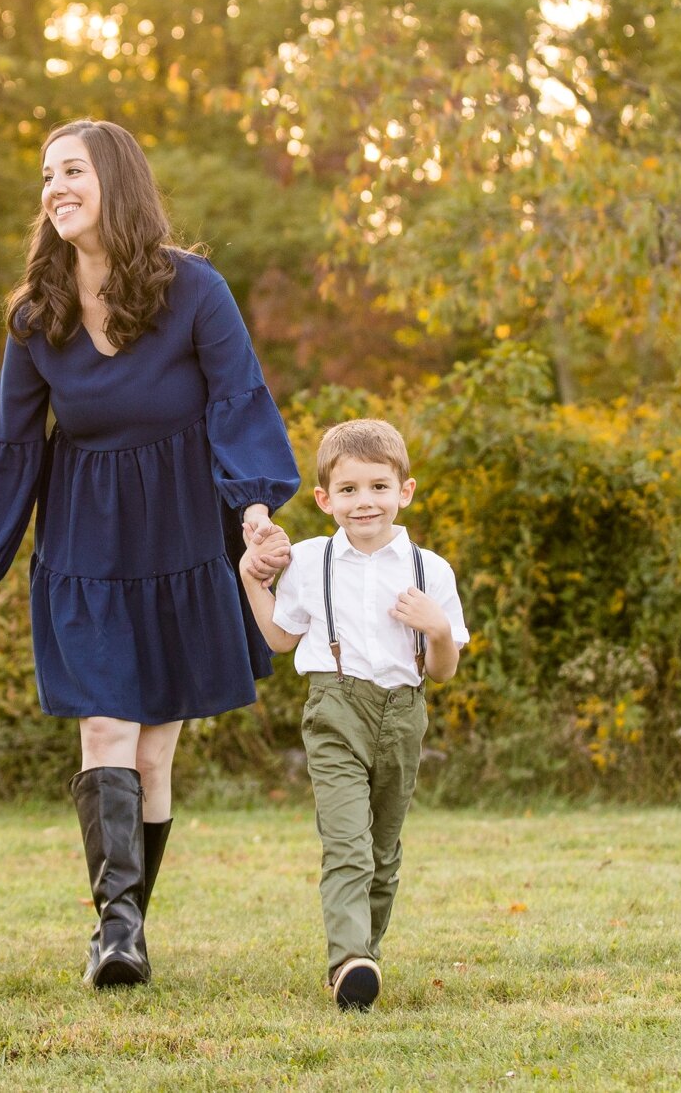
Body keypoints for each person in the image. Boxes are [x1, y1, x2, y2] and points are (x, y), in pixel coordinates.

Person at [0, 118, 300, 988]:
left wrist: (253, 508)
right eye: (45, 174)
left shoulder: (194, 290)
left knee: (154, 755)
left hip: (184, 534)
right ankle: (116, 929)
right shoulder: (39, 313)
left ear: (116, 180)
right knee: (104, 724)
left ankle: (128, 921)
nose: (53, 186)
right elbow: (11, 445)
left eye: (71, 169)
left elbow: (237, 401)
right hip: (87, 537)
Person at [236, 419, 468, 1013]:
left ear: (404, 491)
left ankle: (365, 957)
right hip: (335, 708)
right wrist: (251, 581)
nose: (364, 501)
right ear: (324, 499)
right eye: (348, 490)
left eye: (377, 487)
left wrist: (437, 630)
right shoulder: (310, 562)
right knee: (348, 843)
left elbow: (443, 670)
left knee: (384, 850)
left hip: (403, 713)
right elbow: (281, 639)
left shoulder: (429, 570)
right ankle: (346, 959)